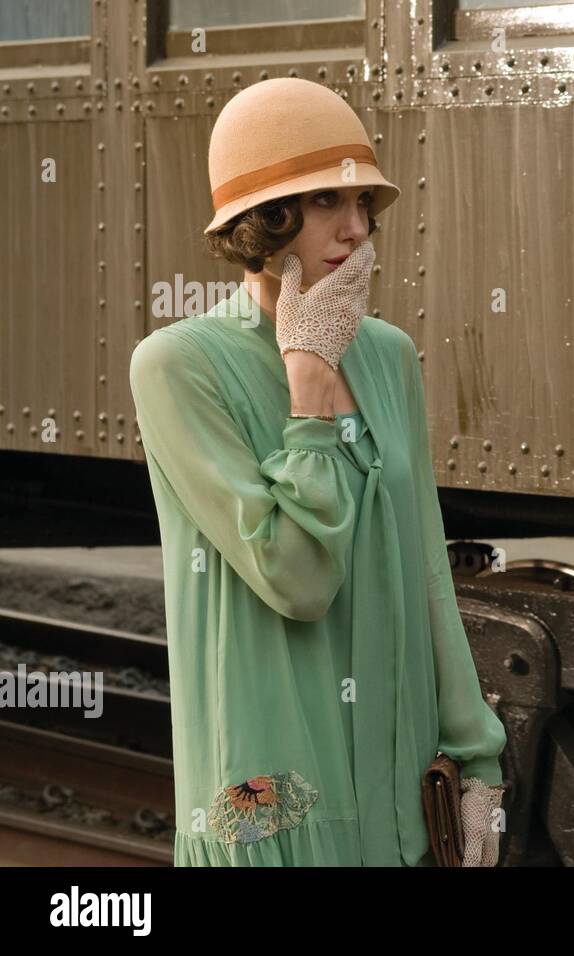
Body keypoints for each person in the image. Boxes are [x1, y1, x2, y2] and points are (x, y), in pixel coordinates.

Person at [129, 77, 506, 866]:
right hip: (270, 795)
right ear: (264, 223)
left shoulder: (391, 355)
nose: (358, 229)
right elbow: (294, 579)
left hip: (397, 790)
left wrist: (478, 760)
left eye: (364, 204)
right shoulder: (176, 366)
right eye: (328, 202)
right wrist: (309, 383)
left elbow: (424, 563)